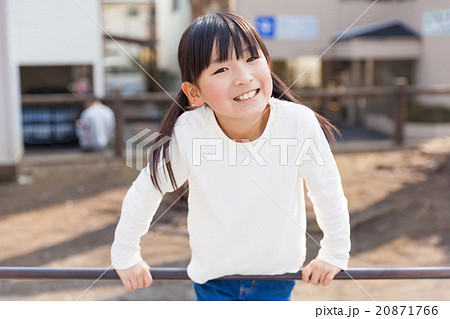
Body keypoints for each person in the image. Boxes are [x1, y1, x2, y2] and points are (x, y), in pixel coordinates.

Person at [111, 12, 350, 301]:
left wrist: (335, 252)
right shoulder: (190, 130)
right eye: (221, 69)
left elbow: (327, 190)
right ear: (194, 93)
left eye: (251, 59)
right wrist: (126, 252)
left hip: (278, 277)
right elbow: (146, 189)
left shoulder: (298, 122)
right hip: (213, 280)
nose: (243, 77)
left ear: (267, 62)